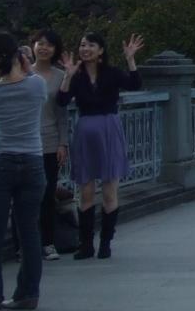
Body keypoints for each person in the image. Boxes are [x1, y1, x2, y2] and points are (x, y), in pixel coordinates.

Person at [57, 30, 144, 260]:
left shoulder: (112, 73)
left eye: (90, 45)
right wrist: (67, 76)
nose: (85, 49)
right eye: (82, 45)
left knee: (109, 191)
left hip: (109, 130)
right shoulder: (77, 76)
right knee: (85, 191)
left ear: (101, 50)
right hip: (86, 132)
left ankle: (106, 242)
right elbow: (62, 101)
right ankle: (86, 244)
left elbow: (134, 84)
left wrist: (130, 59)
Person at [0, 31, 48, 311]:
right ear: (20, 56)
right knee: (29, 230)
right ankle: (28, 295)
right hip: (32, 161)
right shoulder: (37, 85)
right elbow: (34, 83)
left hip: (0, 162)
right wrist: (27, 68)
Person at [30, 30, 68, 261]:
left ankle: (48, 242)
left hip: (51, 141)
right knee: (24, 196)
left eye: (48, 45)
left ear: (55, 50)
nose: (43, 48)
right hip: (26, 142)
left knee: (47, 193)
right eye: (40, 43)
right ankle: (24, 245)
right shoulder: (24, 73)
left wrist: (63, 143)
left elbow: (62, 113)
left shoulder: (60, 76)